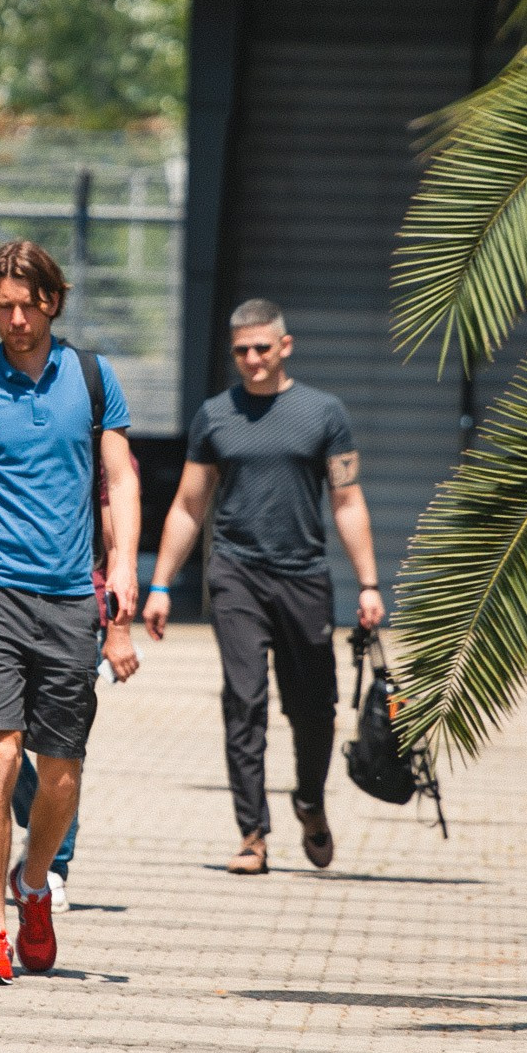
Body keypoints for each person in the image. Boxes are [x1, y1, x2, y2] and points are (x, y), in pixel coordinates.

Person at [0, 241, 140, 985]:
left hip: (73, 597)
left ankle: (33, 882)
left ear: (52, 300)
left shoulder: (93, 377)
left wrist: (126, 569)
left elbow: (120, 479)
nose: (14, 319)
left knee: (61, 772)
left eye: (26, 304)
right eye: (1, 306)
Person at [143, 298, 385, 874]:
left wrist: (370, 584)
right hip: (236, 574)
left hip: (303, 576)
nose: (251, 360)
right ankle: (252, 833)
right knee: (244, 701)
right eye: (241, 351)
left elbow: (347, 501)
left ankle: (309, 800)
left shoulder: (324, 413)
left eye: (261, 348)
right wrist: (159, 585)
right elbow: (188, 504)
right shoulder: (214, 416)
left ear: (284, 346)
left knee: (314, 710)